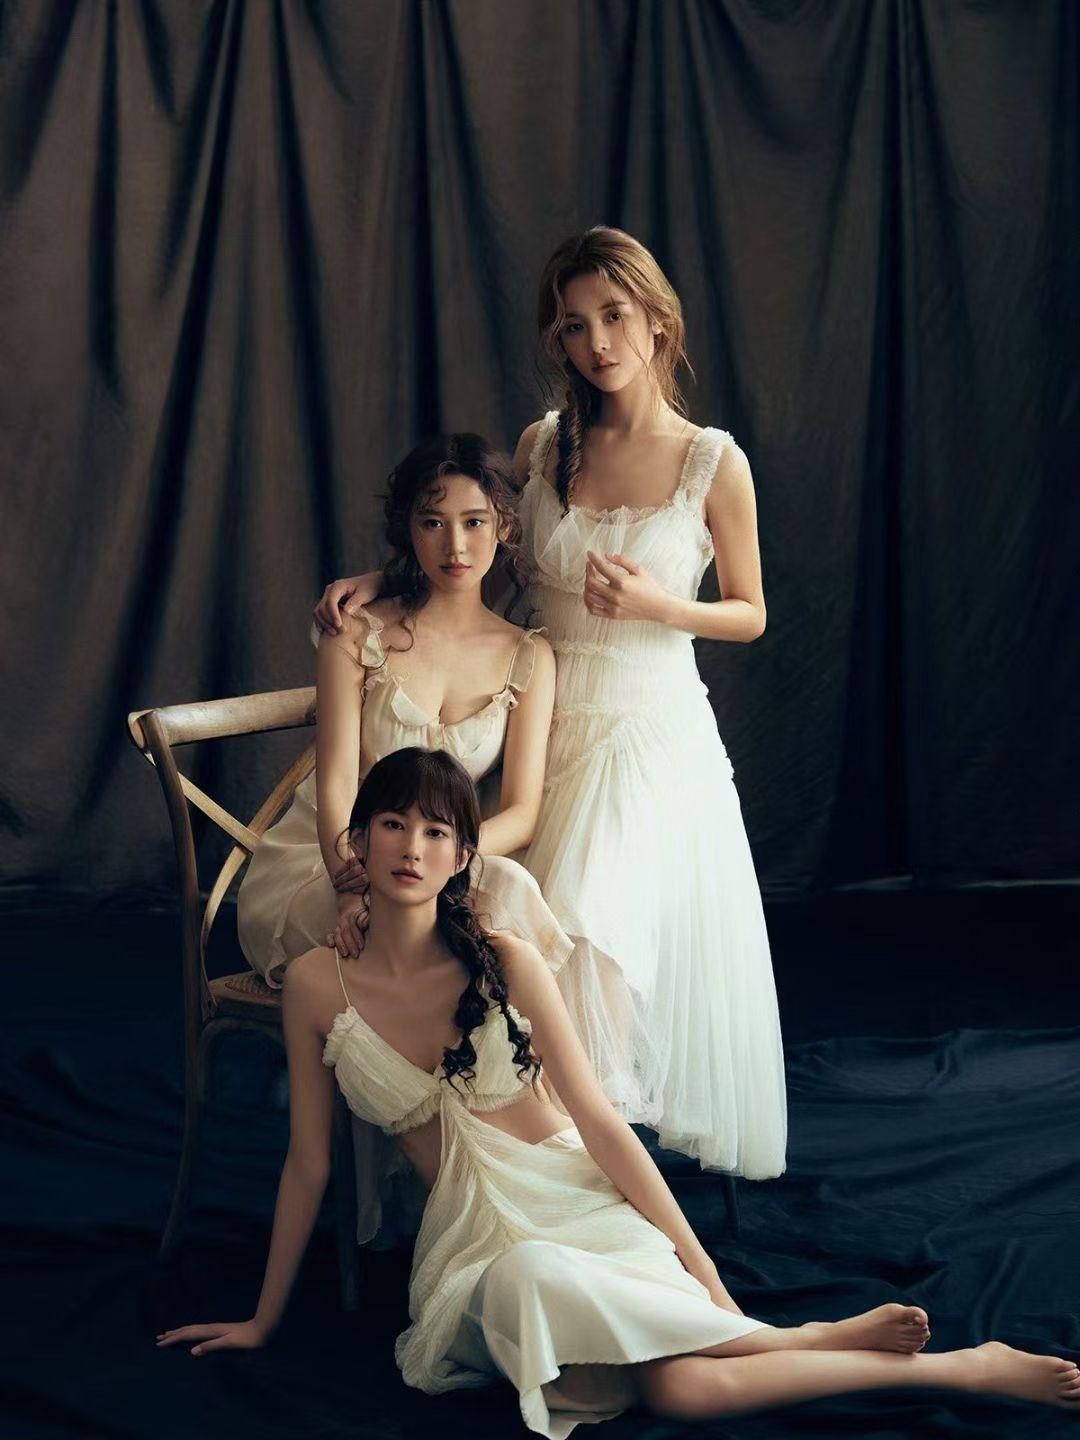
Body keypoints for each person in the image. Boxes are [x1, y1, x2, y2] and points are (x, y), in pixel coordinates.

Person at [157, 749, 1080, 1435]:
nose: (412, 847)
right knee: (532, 1276)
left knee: (683, 1390)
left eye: (437, 831)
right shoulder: (316, 985)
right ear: (358, 841)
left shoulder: (507, 959)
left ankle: (959, 1370)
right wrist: (262, 1320)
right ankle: (799, 1337)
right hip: (479, 1251)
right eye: (393, 824)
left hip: (581, 1205)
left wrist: (706, 1277)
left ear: (464, 856)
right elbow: (308, 1164)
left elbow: (598, 1123)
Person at [315, 227, 785, 1178]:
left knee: (583, 941)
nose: (598, 343)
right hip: (536, 716)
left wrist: (660, 606)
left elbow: (751, 612)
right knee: (508, 949)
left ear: (657, 320)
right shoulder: (546, 445)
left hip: (644, 731)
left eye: (615, 316)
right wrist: (387, 579)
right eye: (574, 326)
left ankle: (582, 1174)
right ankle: (513, 1166)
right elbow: (481, 556)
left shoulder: (710, 462)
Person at [238, 432, 561, 991]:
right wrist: (349, 887)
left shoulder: (528, 656)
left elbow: (522, 812)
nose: (455, 546)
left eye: (475, 522)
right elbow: (337, 782)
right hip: (338, 854)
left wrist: (442, 858)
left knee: (512, 891)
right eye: (433, 522)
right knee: (422, 941)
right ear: (409, 529)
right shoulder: (356, 633)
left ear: (505, 526)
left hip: (448, 862)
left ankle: (506, 1049)